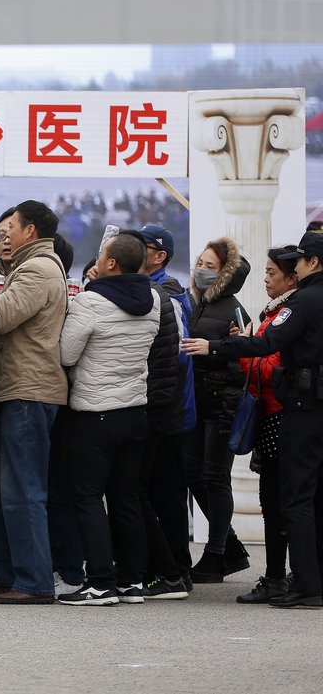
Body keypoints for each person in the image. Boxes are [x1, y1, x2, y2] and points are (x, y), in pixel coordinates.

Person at [184, 233, 323, 608]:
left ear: (312, 264)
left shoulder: (304, 301)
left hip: (297, 408)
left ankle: (306, 584)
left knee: (291, 500)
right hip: (300, 406)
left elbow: (267, 348)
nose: (288, 270)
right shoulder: (290, 304)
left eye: (296, 262)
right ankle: (298, 579)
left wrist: (217, 346)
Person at [0, 200, 67, 604]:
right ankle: (1, 572)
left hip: (29, 391)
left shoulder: (39, 268)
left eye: (11, 225)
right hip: (13, 390)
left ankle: (34, 581)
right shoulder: (25, 266)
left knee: (22, 490)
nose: (5, 232)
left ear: (30, 231)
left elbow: (2, 316)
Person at [57, 233, 160, 605]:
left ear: (111, 263)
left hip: (95, 413)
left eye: (102, 254)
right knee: (126, 498)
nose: (98, 258)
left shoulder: (90, 301)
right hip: (135, 411)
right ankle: (131, 581)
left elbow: (67, 354)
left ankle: (100, 581)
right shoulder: (154, 301)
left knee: (86, 497)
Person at [233, 246, 299, 604]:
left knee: (276, 502)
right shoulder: (275, 313)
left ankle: (278, 577)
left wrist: (243, 348)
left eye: (272, 272)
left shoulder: (289, 314)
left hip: (279, 416)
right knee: (276, 501)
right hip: (276, 416)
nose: (266, 279)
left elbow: (268, 368)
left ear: (292, 277)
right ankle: (283, 575)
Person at [186, 236, 251, 582]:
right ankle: (228, 547)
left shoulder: (234, 310)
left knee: (214, 478)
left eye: (211, 267)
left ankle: (216, 556)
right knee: (195, 474)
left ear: (226, 272)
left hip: (221, 406)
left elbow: (243, 362)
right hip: (198, 403)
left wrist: (211, 349)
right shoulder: (200, 303)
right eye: (201, 263)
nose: (202, 271)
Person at [137, 224, 196, 586]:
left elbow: (179, 355)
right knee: (155, 489)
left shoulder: (168, 294)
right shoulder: (152, 289)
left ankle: (175, 570)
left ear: (159, 256)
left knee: (166, 492)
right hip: (162, 405)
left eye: (142, 246)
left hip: (167, 409)